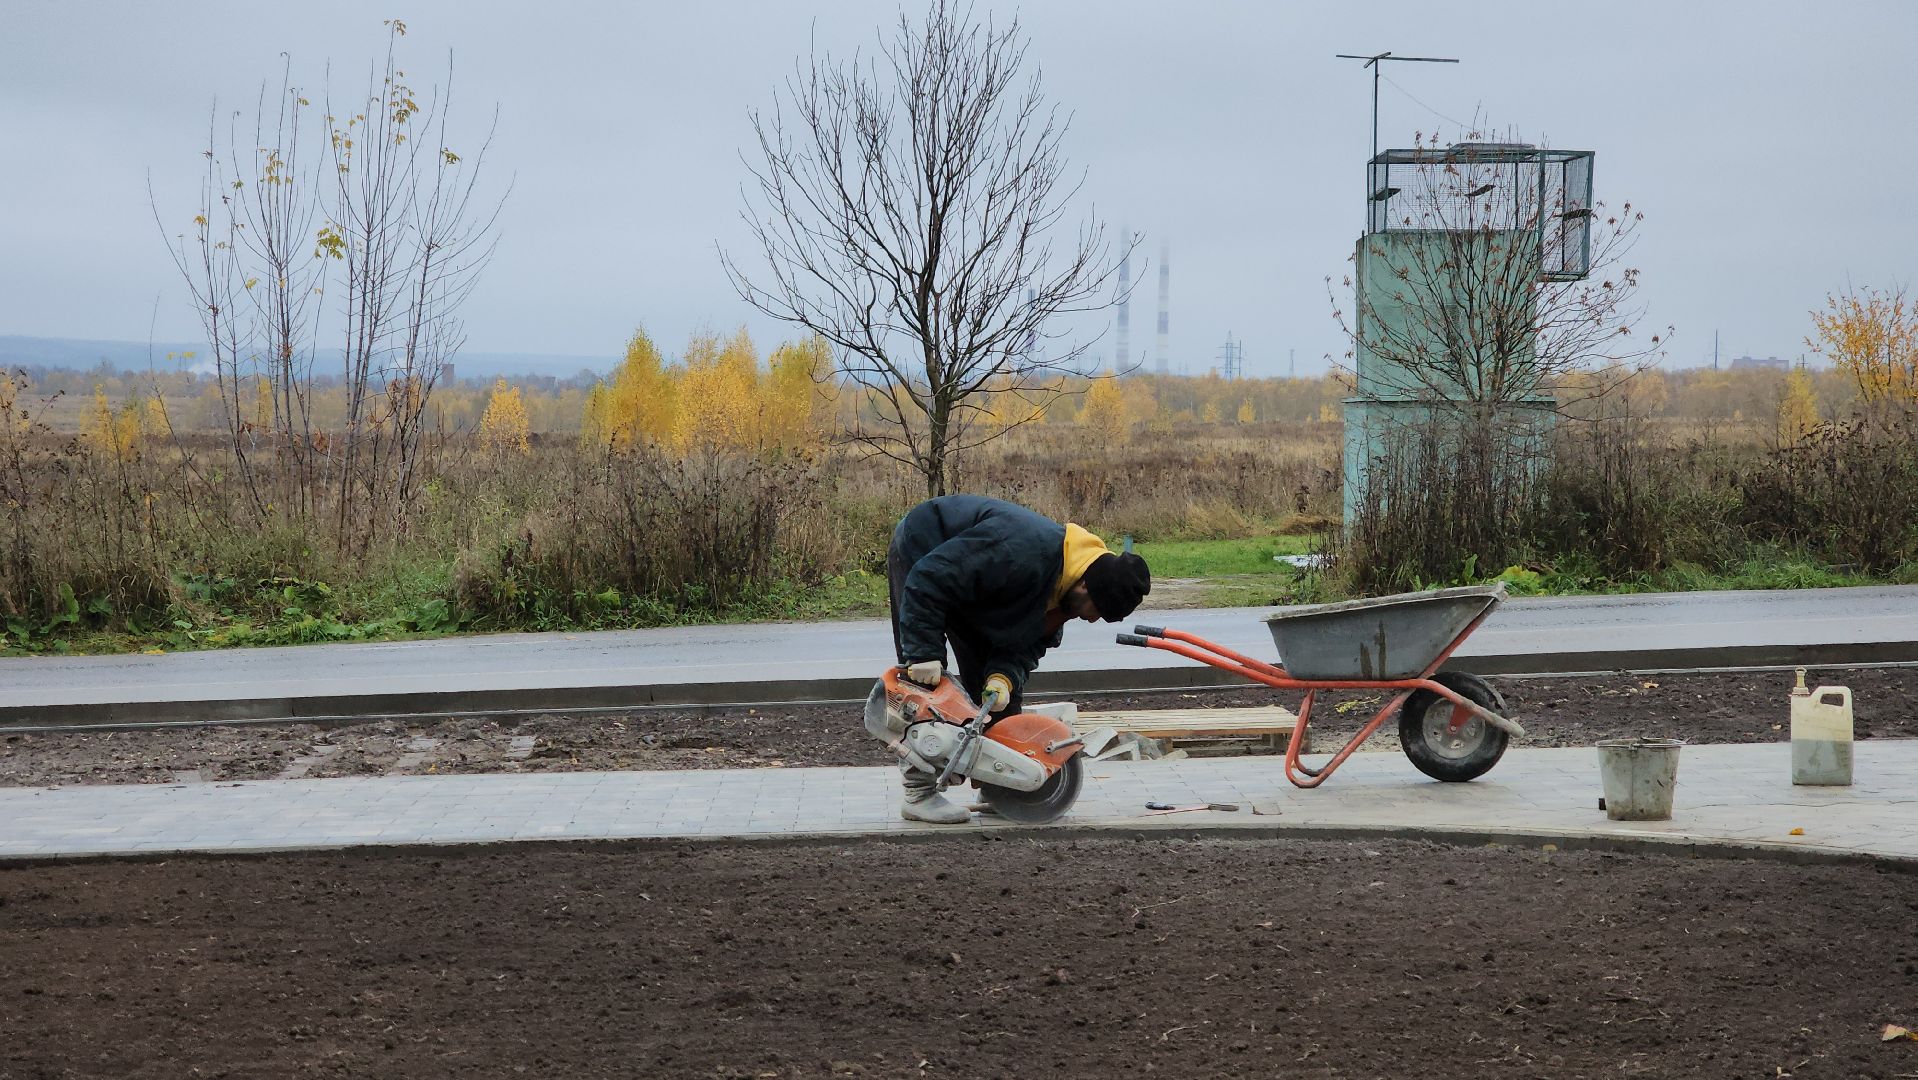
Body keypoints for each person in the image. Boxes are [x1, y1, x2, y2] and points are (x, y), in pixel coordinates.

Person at [886, 494, 1152, 823]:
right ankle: (918, 794)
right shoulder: (1019, 551)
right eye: (1095, 611)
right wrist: (923, 652)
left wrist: (1003, 677)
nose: (1091, 620)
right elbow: (928, 578)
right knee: (925, 685)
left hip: (973, 584)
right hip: (923, 550)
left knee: (997, 698)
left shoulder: (1063, 595)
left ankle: (1000, 784)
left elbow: (1023, 643)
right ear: (1085, 585)